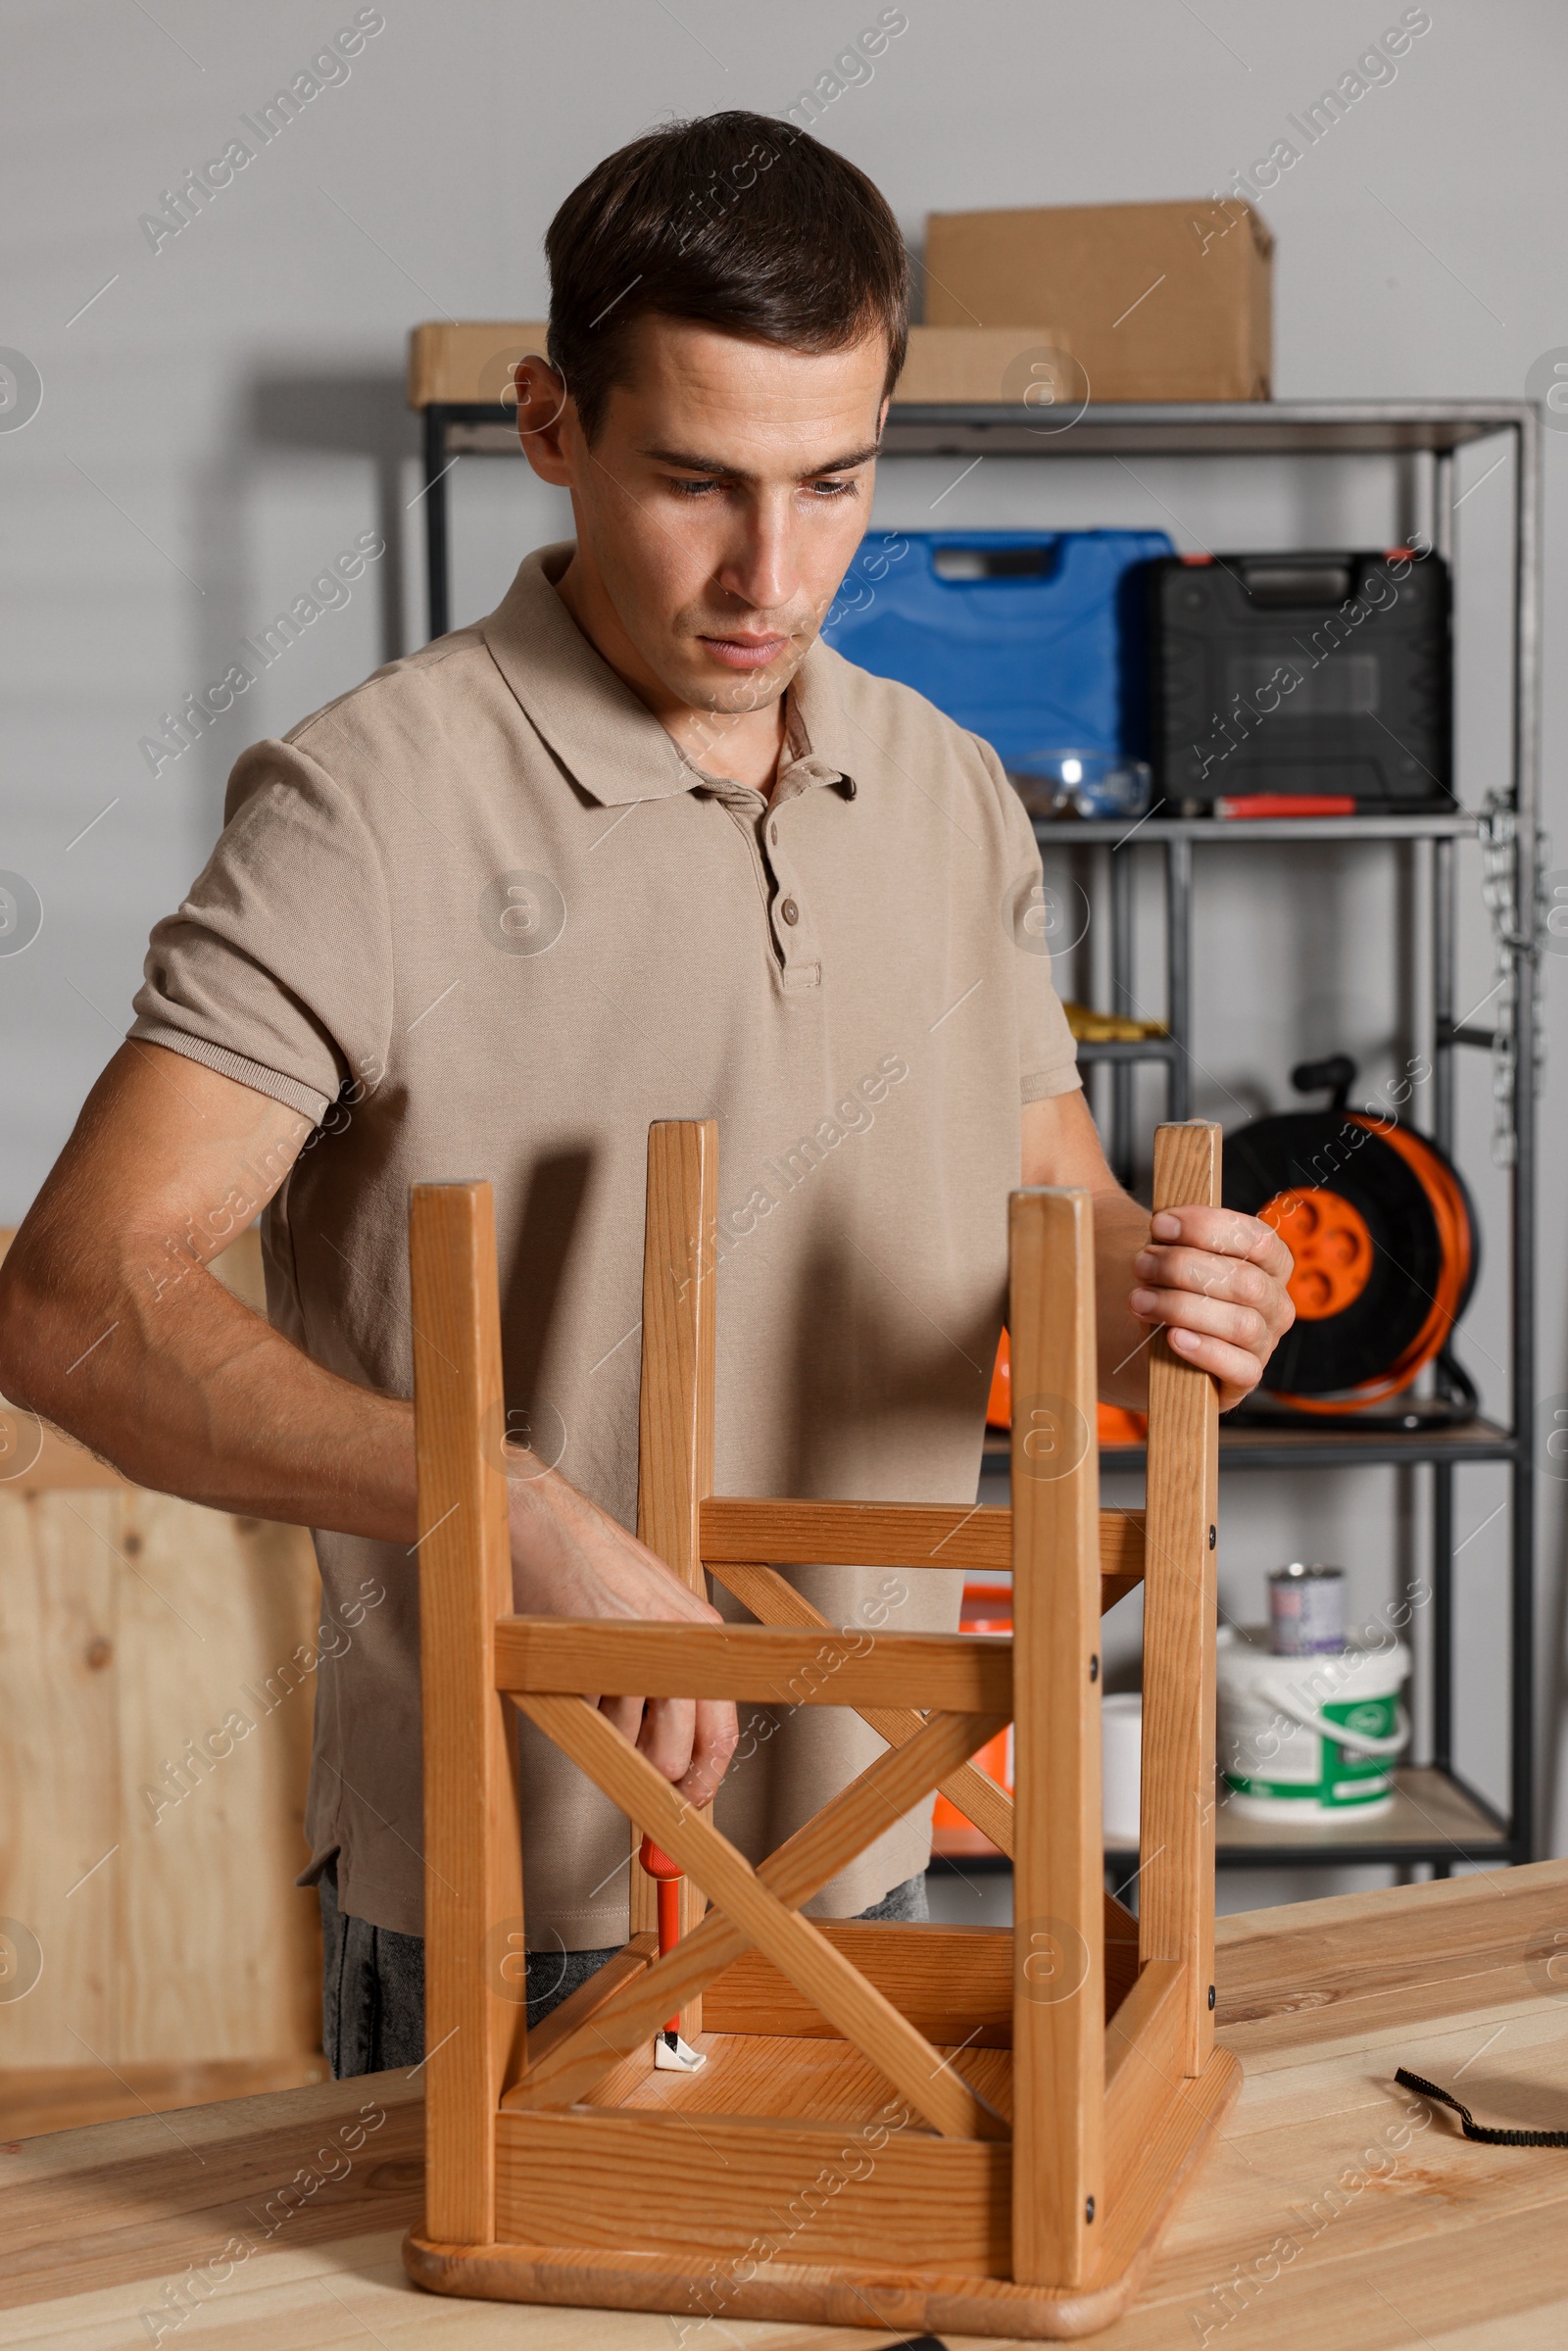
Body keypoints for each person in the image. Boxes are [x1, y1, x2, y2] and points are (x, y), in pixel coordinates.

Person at [0, 111, 1293, 2076]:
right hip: (521, 1903)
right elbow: (71, 1296)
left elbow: (1055, 1220)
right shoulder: (371, 804)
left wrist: (1167, 1292)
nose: (771, 573)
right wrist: (498, 1501)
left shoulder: (944, 786)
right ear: (550, 424)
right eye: (694, 480)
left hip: (883, 1834)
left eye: (832, 481)